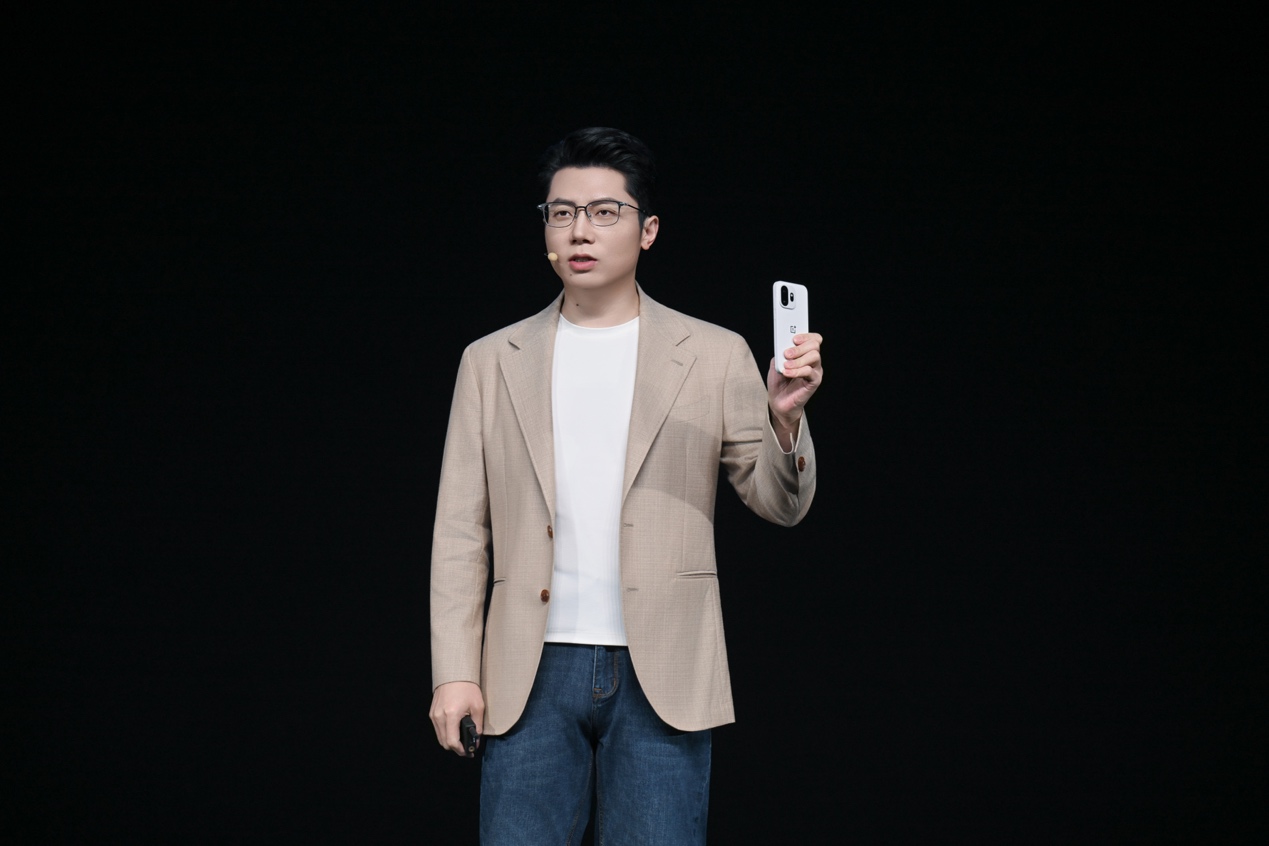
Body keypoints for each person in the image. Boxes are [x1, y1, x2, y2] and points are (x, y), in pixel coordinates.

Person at [428, 127, 823, 844]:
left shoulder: (712, 354)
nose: (579, 230)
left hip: (665, 666)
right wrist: (454, 672)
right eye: (561, 212)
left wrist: (785, 421)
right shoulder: (490, 360)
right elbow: (460, 530)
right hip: (526, 670)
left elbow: (779, 504)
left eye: (604, 212)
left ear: (648, 230)